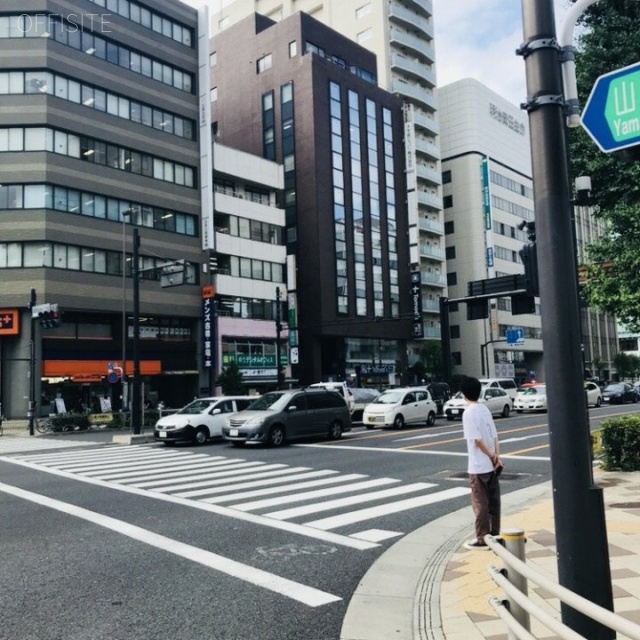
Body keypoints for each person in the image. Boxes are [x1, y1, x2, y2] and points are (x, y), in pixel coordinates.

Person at [460, 376, 503, 550]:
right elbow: (494, 436)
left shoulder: (468, 413)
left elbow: (476, 440)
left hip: (478, 465)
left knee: (480, 503)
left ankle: (482, 537)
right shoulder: (484, 409)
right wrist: (496, 457)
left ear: (463, 394)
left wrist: (491, 456)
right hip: (492, 465)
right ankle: (495, 533)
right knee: (494, 501)